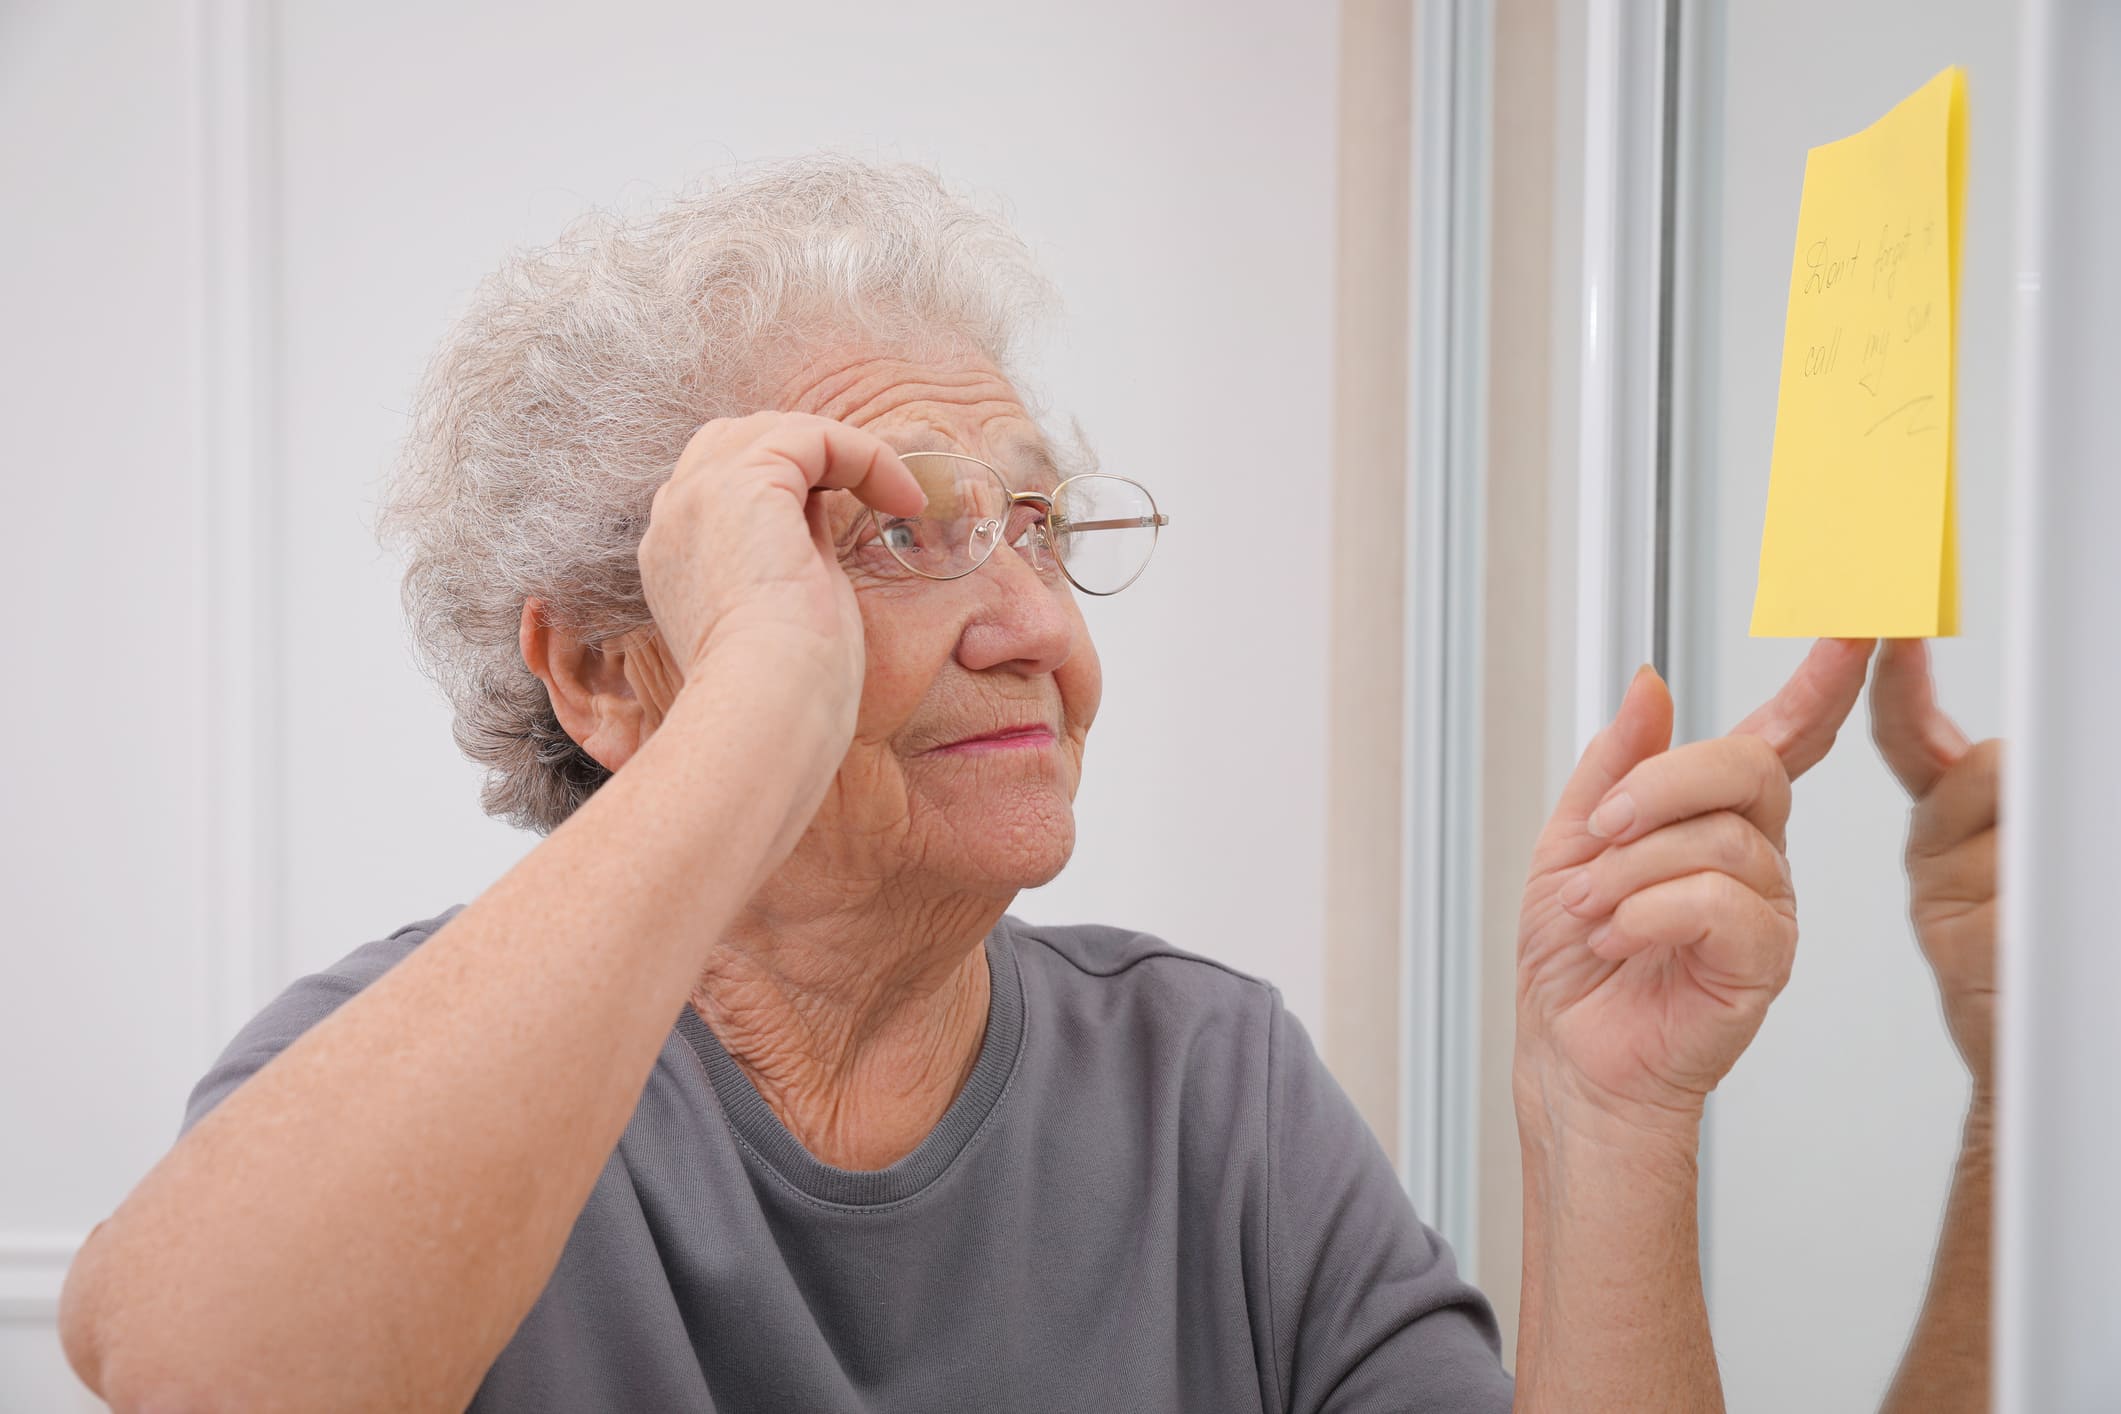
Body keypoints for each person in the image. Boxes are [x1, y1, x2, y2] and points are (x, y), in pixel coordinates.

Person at [61, 157, 1880, 1412]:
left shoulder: (1208, 1092)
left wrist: (1608, 1123)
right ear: (612, 670)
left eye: (1038, 526)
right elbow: (197, 1363)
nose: (1033, 622)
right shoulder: (416, 1071)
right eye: (893, 536)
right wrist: (758, 712)